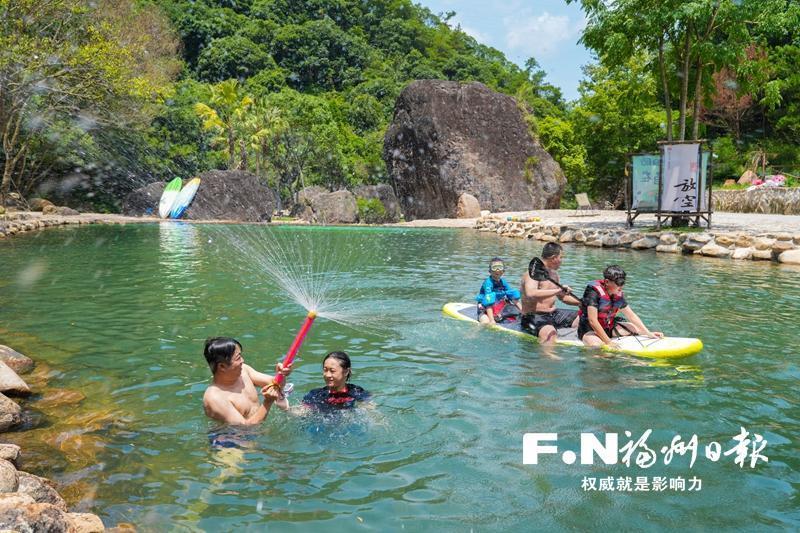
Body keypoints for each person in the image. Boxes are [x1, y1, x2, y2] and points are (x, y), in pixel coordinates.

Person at [202, 337, 293, 425]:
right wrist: (268, 402)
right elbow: (245, 428)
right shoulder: (215, 398)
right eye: (238, 358)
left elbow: (277, 385)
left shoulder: (243, 371)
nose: (242, 360)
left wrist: (281, 374)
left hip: (258, 428)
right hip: (232, 434)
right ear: (222, 366)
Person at [578, 265, 664, 347]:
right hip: (590, 330)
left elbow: (631, 315)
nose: (621, 286)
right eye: (618, 283)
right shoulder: (593, 292)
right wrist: (608, 342)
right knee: (596, 345)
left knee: (633, 327)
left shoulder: (617, 295)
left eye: (622, 282)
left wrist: (648, 333)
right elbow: (592, 321)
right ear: (607, 282)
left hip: (608, 328)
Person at [520, 243, 581, 344]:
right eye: (561, 257)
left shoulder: (554, 274)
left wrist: (582, 303)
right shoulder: (532, 274)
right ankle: (548, 353)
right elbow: (531, 293)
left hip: (553, 314)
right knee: (550, 334)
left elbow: (563, 297)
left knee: (582, 318)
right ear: (554, 258)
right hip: (533, 316)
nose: (562, 261)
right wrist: (558, 290)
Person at [302, 351, 370, 411]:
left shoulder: (357, 392)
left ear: (346, 372)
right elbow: (300, 412)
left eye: (332, 371)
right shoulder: (315, 395)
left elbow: (369, 410)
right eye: (325, 370)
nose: (328, 375)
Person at [475, 257, 522, 324]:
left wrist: (523, 311)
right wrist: (492, 320)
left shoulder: (503, 282)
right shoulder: (488, 283)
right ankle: (476, 329)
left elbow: (512, 296)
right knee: (486, 322)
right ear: (490, 271)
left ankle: (498, 316)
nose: (497, 270)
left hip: (497, 306)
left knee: (516, 312)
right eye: (494, 267)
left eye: (500, 267)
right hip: (484, 307)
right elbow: (488, 301)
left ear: (503, 271)